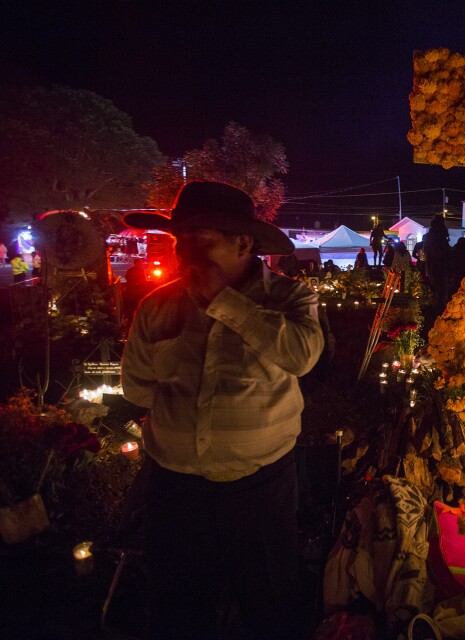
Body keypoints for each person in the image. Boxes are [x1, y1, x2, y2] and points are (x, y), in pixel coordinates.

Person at [121, 181, 324, 640]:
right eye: (181, 240)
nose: (185, 251)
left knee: (269, 603)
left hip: (260, 487)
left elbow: (301, 355)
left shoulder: (290, 299)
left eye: (201, 239)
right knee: (177, 608)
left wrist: (225, 303)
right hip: (175, 489)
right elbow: (137, 388)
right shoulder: (157, 306)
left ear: (244, 243)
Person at [422, 215, 451, 308]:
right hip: (440, 264)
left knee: (435, 284)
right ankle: (439, 304)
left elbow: (426, 250)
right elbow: (445, 251)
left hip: (433, 263)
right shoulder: (440, 235)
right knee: (441, 285)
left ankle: (436, 303)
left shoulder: (431, 235)